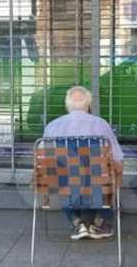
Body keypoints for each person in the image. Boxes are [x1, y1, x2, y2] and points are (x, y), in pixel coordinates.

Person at [43, 86, 124, 240]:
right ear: (88, 104)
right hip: (97, 186)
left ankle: (77, 223)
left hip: (64, 187)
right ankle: (99, 223)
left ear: (67, 105)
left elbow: (45, 163)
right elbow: (117, 161)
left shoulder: (52, 126)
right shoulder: (101, 125)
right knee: (112, 176)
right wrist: (118, 178)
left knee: (58, 177)